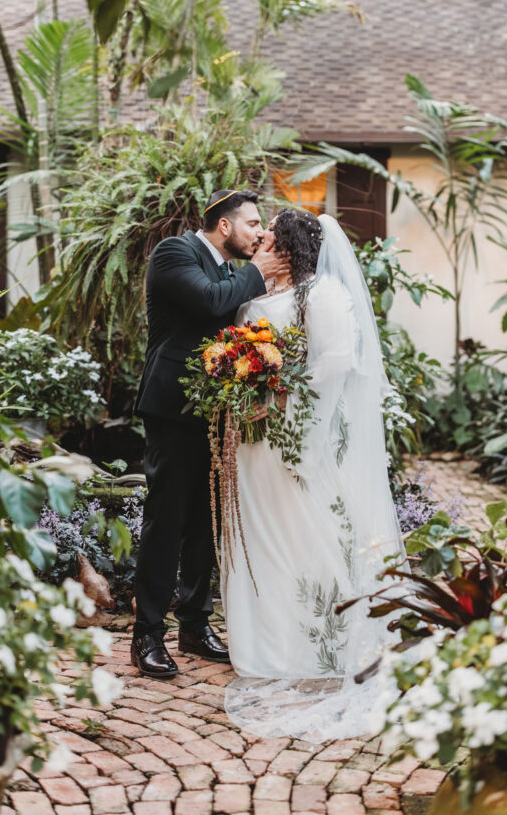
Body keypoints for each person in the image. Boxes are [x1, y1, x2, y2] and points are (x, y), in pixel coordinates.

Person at [222, 209, 405, 739]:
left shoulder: (322, 295)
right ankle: (266, 642)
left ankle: (318, 643)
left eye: (270, 239)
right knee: (264, 535)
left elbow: (335, 363)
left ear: (291, 248)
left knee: (307, 531)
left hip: (303, 433)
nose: (259, 244)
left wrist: (280, 392)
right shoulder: (255, 297)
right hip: (255, 442)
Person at [132, 189, 289, 679]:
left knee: (206, 522)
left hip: (217, 412)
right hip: (173, 407)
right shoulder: (176, 252)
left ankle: (194, 626)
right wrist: (260, 272)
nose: (261, 233)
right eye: (253, 224)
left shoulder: (229, 269)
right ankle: (147, 635)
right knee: (167, 519)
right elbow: (208, 302)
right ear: (225, 226)